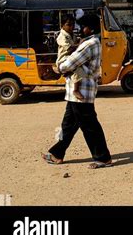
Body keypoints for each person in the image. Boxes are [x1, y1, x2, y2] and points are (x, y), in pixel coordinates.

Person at [41, 14, 112, 169]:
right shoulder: (87, 42)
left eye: (83, 26)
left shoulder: (90, 44)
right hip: (75, 94)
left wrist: (59, 68)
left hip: (83, 94)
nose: (80, 29)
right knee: (68, 125)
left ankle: (103, 158)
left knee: (90, 126)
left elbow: (69, 64)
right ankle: (57, 154)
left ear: (90, 28)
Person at [54, 15, 85, 102]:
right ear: (62, 25)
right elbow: (70, 47)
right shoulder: (61, 36)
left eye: (73, 24)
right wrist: (80, 44)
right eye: (68, 25)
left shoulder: (71, 35)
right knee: (78, 66)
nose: (71, 27)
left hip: (70, 58)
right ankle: (76, 89)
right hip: (63, 60)